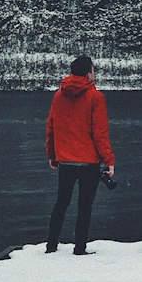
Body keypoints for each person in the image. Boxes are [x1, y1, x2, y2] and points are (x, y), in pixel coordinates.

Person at [45, 54, 115, 255]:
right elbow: (100, 132)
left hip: (65, 160)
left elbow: (51, 126)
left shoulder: (59, 95)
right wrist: (109, 161)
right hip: (88, 162)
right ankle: (80, 248)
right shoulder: (96, 97)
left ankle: (51, 246)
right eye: (93, 70)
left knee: (61, 202)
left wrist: (52, 155)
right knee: (84, 205)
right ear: (87, 74)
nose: (95, 73)